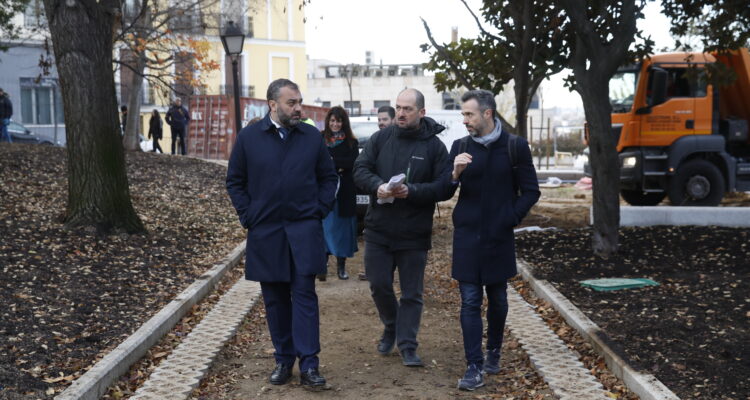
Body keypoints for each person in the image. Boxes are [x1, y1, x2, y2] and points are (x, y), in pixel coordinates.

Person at [226, 78, 338, 390]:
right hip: (266, 232)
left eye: (300, 101)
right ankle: (283, 359)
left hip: (304, 230)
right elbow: (235, 180)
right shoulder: (249, 138)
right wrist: (248, 216)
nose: (299, 108)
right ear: (273, 105)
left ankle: (310, 365)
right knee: (275, 300)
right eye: (292, 103)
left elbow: (328, 178)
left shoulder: (311, 137)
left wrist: (319, 209)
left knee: (304, 296)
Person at [444, 89, 540, 391]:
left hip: (498, 237)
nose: (464, 120)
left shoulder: (515, 147)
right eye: (463, 115)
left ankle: (493, 350)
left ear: (487, 114)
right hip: (467, 237)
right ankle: (474, 366)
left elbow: (531, 191)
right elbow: (445, 191)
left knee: (497, 299)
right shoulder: (459, 146)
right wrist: (455, 173)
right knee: (470, 301)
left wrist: (510, 218)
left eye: (469, 114)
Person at [353, 88, 451, 367]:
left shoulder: (434, 147)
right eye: (398, 107)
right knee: (379, 285)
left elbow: (444, 187)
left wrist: (413, 191)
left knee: (412, 293)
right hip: (378, 229)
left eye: (408, 109)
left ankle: (408, 344)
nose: (401, 113)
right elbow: (361, 169)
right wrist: (378, 186)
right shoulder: (381, 138)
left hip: (414, 231)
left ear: (422, 112)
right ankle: (392, 325)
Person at [320, 106, 359, 281]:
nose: (335, 124)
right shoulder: (320, 139)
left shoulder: (351, 141)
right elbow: (318, 163)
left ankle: (341, 267)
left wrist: (332, 162)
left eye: (339, 120)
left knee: (342, 230)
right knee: (324, 229)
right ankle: (322, 266)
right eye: (333, 120)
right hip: (324, 192)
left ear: (344, 122)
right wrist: (338, 165)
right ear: (328, 121)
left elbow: (352, 163)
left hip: (344, 192)